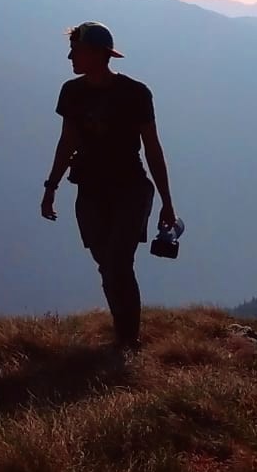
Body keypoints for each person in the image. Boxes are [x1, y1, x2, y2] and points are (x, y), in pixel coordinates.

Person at [41, 21, 178, 350]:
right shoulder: (72, 92)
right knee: (108, 264)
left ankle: (128, 341)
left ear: (97, 54)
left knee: (117, 263)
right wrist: (51, 187)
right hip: (90, 190)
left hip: (130, 190)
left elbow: (152, 148)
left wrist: (167, 202)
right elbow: (67, 142)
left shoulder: (135, 93)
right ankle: (125, 334)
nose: (70, 56)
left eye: (76, 50)